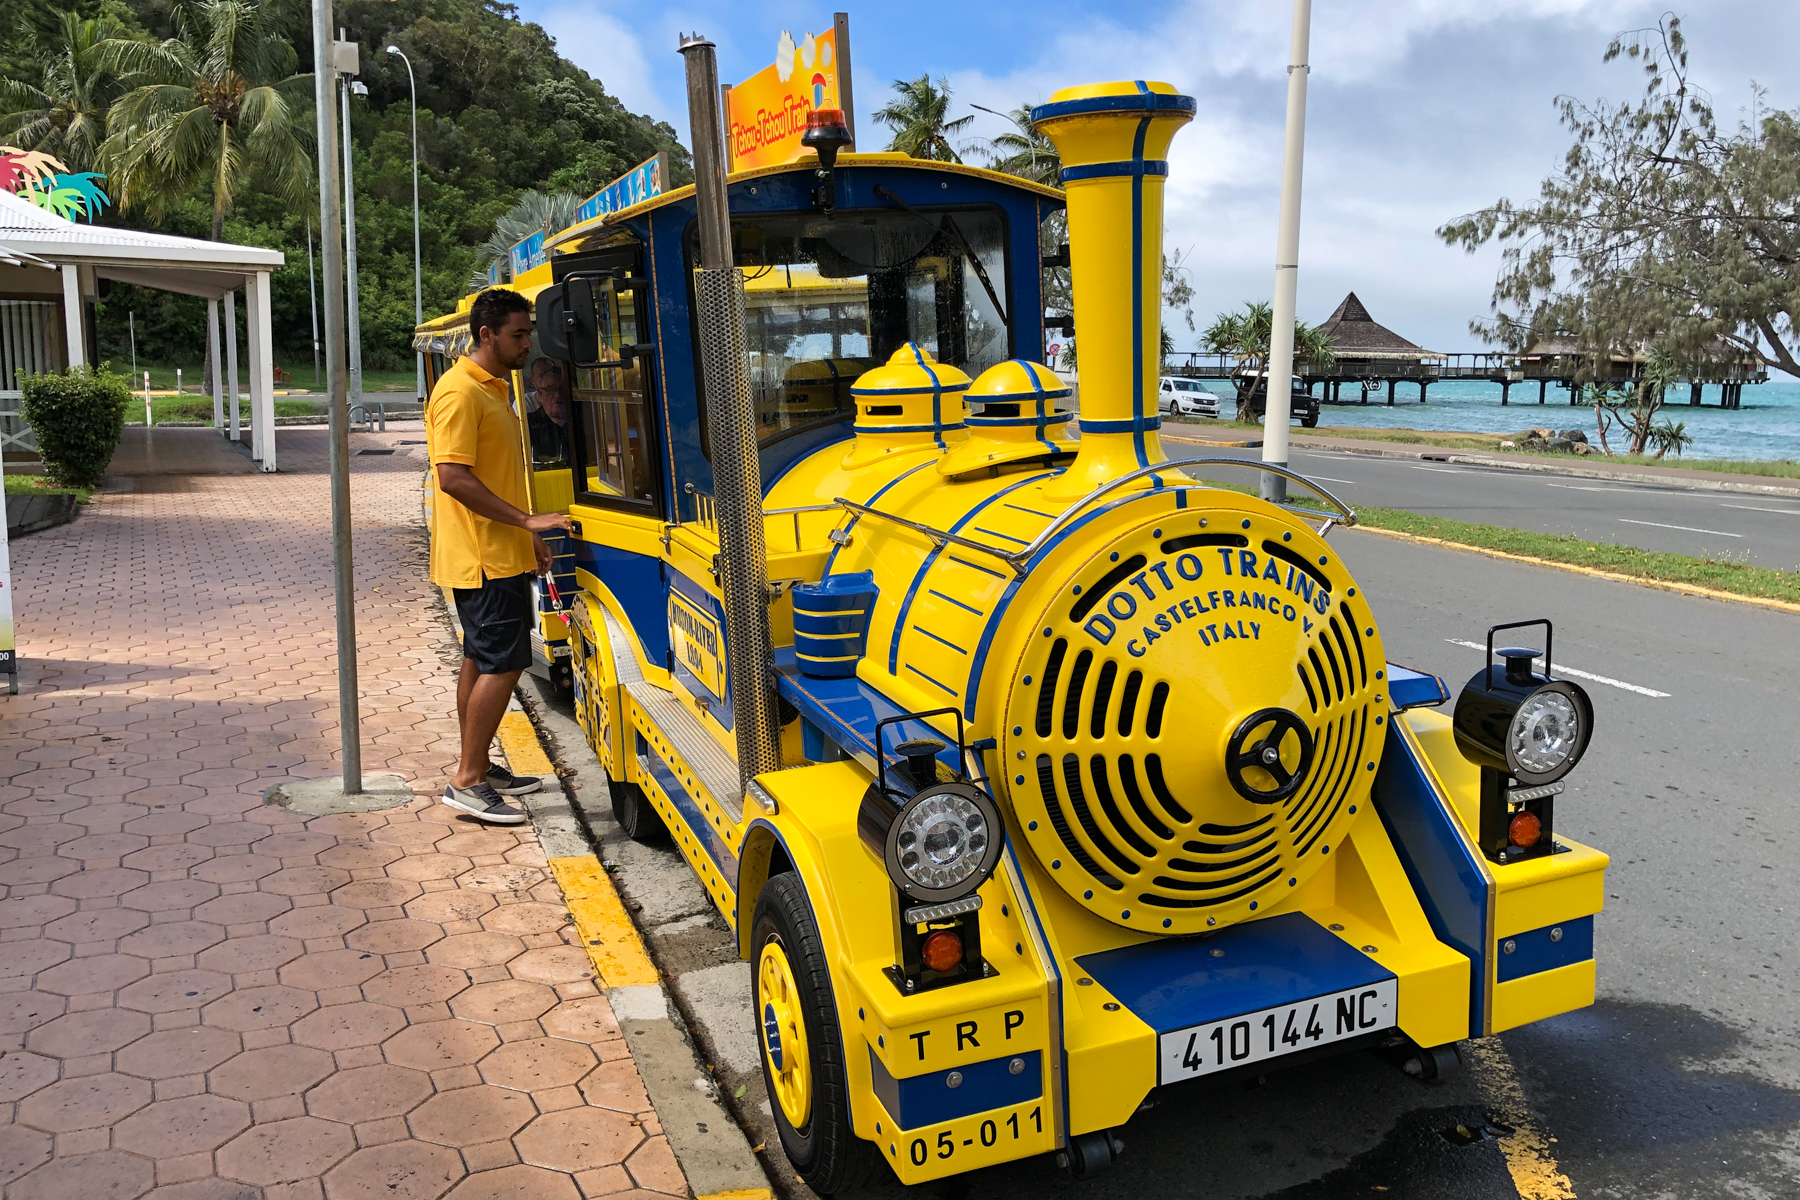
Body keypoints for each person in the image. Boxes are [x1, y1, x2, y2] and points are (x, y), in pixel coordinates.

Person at [427, 289, 573, 823]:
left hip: (499, 551)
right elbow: (453, 477)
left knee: (480, 657)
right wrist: (527, 521)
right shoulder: (460, 392)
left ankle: (479, 765)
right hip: (482, 558)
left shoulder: (494, 387)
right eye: (519, 334)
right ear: (486, 334)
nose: (527, 344)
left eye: (529, 333)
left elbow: (498, 473)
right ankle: (467, 780)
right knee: (504, 662)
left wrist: (524, 534)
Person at [524, 356, 571, 465]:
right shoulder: (529, 427)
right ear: (540, 394)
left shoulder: (583, 421)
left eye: (562, 389)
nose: (557, 395)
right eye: (551, 389)